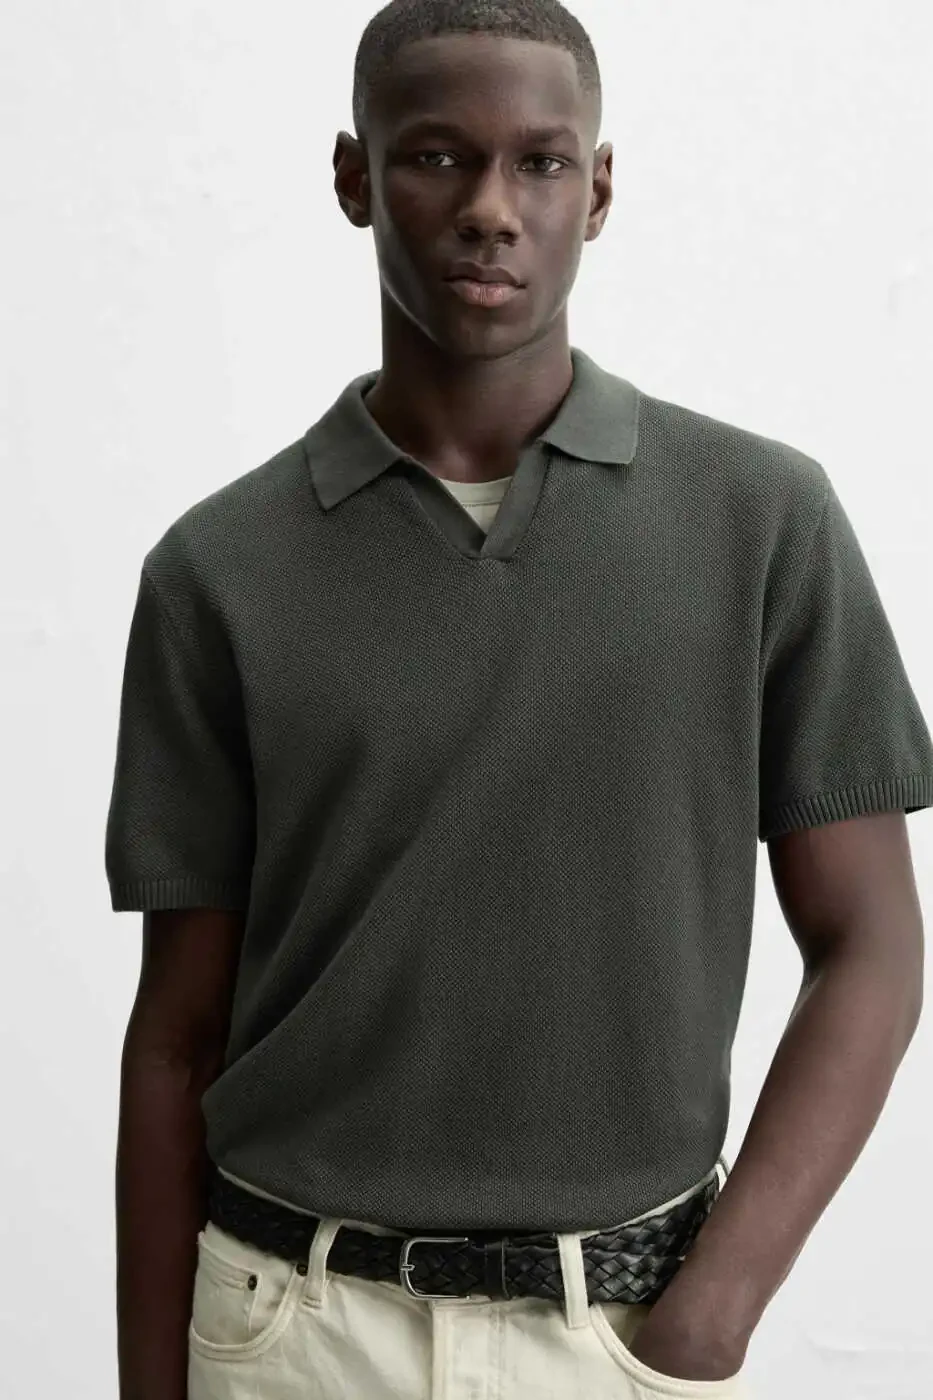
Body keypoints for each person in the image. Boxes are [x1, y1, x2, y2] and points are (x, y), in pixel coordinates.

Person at [104, 2, 933, 1397]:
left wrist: (716, 1310)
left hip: (621, 1334)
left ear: (596, 191)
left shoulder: (762, 522)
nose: (491, 207)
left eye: (540, 162)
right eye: (436, 156)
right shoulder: (219, 570)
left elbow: (873, 946)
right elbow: (174, 1041)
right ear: (355, 177)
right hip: (297, 1332)